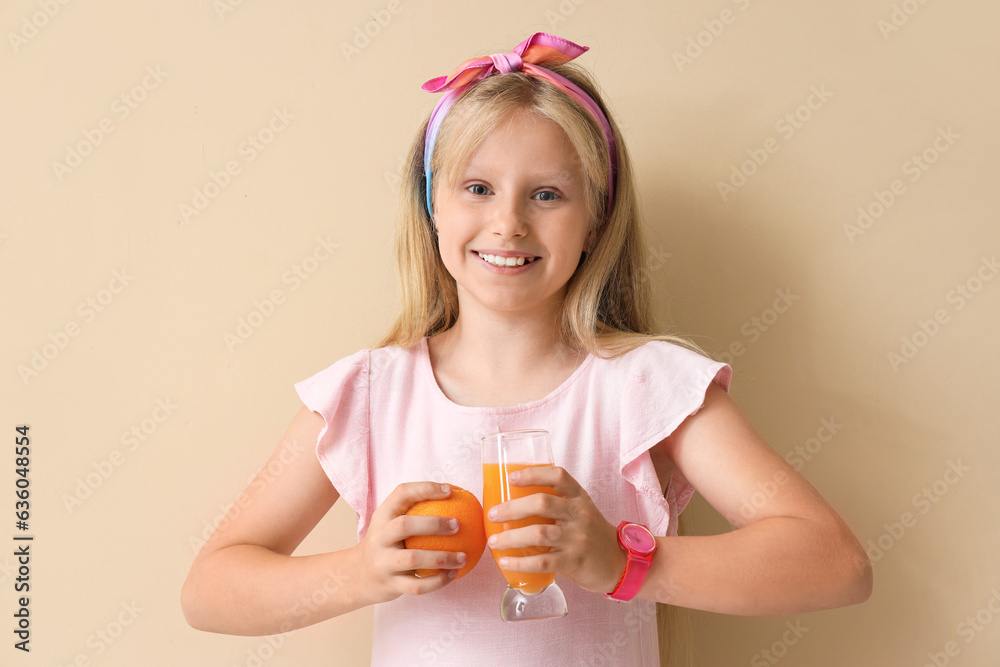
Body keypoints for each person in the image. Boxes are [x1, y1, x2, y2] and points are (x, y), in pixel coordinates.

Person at [181, 32, 872, 666]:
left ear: (597, 219)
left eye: (547, 194)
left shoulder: (643, 385)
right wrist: (360, 570)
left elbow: (836, 564)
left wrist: (626, 562)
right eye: (477, 188)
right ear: (432, 206)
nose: (507, 223)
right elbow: (209, 588)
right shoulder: (369, 393)